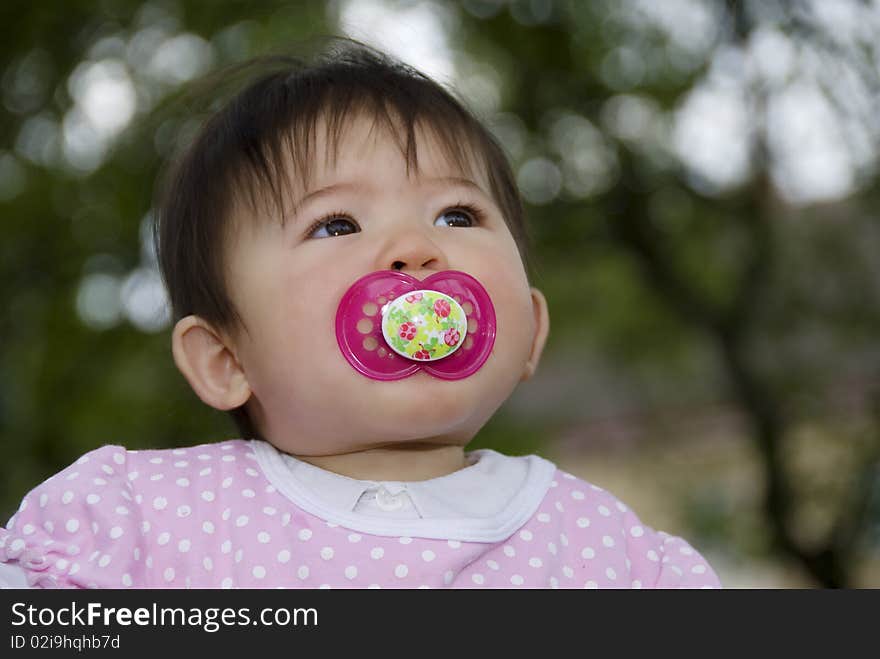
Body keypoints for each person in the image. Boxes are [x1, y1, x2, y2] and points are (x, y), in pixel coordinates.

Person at [0, 38, 720, 589]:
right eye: (337, 224)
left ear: (530, 328)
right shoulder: (137, 521)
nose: (414, 247)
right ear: (226, 360)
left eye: (457, 212)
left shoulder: (612, 555)